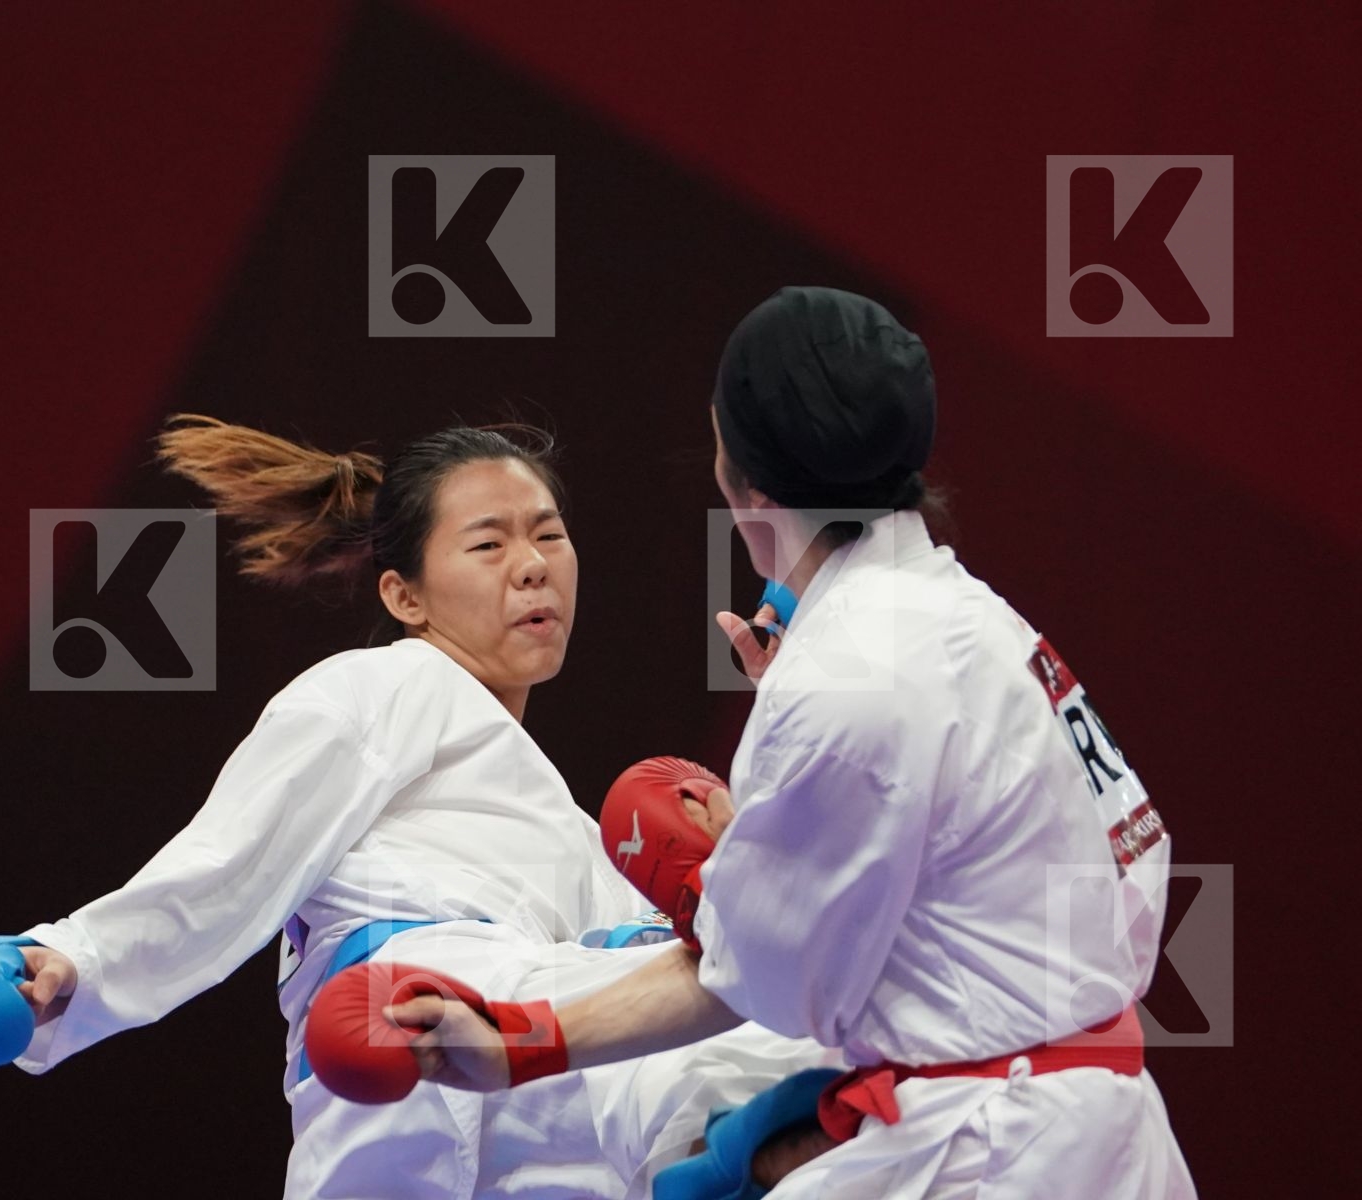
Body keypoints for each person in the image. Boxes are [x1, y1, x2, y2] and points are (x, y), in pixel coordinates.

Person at [365, 288, 1198, 1197]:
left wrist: (520, 1041)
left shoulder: (848, 676)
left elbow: (748, 980)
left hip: (991, 1153)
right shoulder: (979, 619)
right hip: (1098, 1126)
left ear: (741, 476)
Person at [0, 414, 830, 1199]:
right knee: (761, 1068)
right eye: (489, 542)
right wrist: (76, 957)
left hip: (490, 1103)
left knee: (745, 1018)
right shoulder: (380, 685)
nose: (532, 565)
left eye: (548, 534)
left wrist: (799, 736)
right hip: (411, 1013)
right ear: (404, 596)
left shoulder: (575, 836)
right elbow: (232, 862)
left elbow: (690, 973)